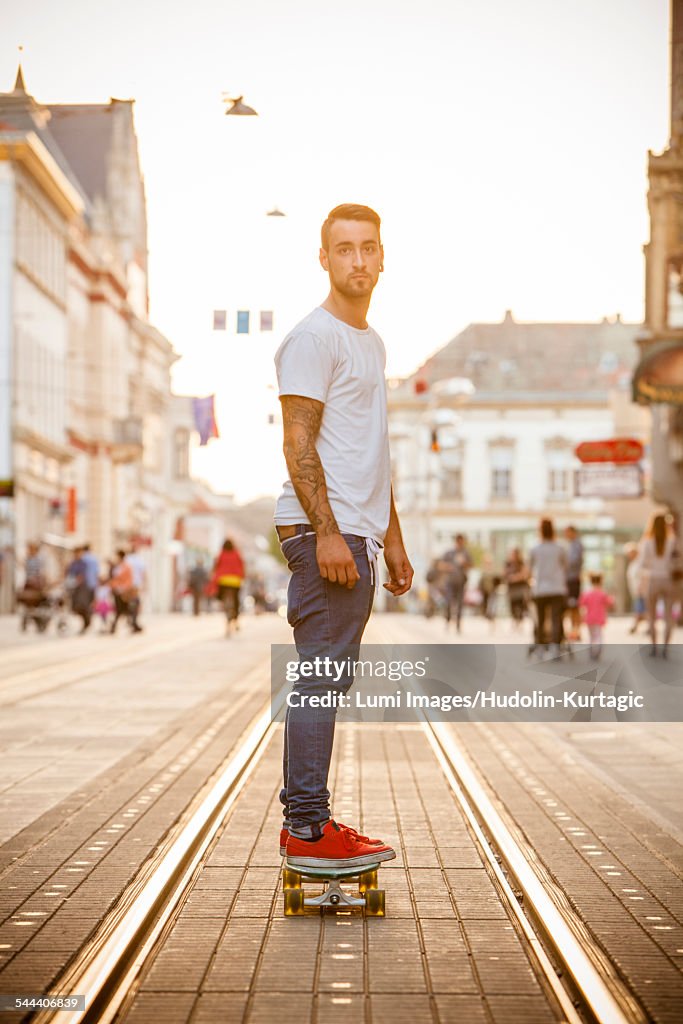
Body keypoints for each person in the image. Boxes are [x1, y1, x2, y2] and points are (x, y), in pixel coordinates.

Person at [274, 203, 413, 871]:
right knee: (319, 679)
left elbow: (370, 453)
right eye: (343, 249)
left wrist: (395, 539)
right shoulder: (314, 338)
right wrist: (327, 534)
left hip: (356, 534)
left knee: (327, 679)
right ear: (324, 260)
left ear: (382, 257)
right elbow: (297, 441)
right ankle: (305, 827)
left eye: (367, 247)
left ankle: (309, 821)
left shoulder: (371, 342)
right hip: (322, 532)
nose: (357, 259)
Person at [639, 513, 680, 657]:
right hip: (668, 580)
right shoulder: (673, 540)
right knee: (669, 616)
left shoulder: (647, 542)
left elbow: (642, 564)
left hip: (653, 579)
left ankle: (654, 647)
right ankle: (666, 648)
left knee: (651, 616)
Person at [529, 518, 567, 651]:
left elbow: (530, 568)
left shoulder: (535, 548)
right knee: (556, 619)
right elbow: (565, 566)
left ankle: (540, 647)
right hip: (557, 588)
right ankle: (555, 647)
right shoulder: (560, 547)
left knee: (540, 620)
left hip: (540, 589)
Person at [438, 534, 473, 632]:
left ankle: (458, 624)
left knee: (460, 603)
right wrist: (448, 567)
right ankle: (448, 621)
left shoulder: (466, 553)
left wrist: (464, 563)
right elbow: (440, 565)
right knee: (448, 602)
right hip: (450, 582)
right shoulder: (449, 553)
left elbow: (471, 565)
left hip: (461, 582)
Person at [211, 539, 245, 635]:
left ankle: (224, 605)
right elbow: (242, 564)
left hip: (223, 580)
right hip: (235, 581)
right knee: (236, 600)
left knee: (221, 596)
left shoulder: (221, 553)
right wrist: (243, 576)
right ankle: (236, 619)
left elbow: (216, 565)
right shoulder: (237, 553)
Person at [579, 573, 614, 660]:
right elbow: (610, 602)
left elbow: (581, 602)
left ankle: (591, 651)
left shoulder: (587, 593)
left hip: (590, 618)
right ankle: (598, 651)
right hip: (599, 618)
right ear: (601, 582)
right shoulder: (602, 593)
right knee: (598, 636)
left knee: (591, 636)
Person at [109, 550, 142, 634]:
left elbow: (127, 579)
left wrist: (125, 588)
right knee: (119, 610)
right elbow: (114, 578)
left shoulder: (126, 567)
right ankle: (132, 625)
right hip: (117, 591)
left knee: (128, 609)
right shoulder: (117, 566)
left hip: (124, 591)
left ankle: (133, 625)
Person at [65, 546, 94, 634]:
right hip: (73, 587)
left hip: (83, 587)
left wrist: (77, 580)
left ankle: (87, 621)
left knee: (82, 605)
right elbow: (68, 573)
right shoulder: (72, 563)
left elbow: (82, 575)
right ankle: (86, 621)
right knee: (75, 607)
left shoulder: (83, 563)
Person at [564, 525, 584, 641]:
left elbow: (573, 562)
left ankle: (576, 631)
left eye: (568, 532)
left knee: (574, 606)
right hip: (569, 579)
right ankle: (573, 631)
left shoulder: (577, 545)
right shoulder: (569, 545)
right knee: (571, 607)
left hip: (573, 579)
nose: (566, 535)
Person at [503, 547, 530, 627]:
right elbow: (504, 573)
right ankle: (515, 620)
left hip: (520, 587)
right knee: (512, 604)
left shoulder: (521, 563)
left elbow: (525, 573)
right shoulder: (508, 563)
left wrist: (516, 577)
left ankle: (520, 620)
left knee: (520, 604)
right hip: (511, 587)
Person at [624, 542, 646, 635]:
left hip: (641, 590)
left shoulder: (640, 562)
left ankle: (635, 626)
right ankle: (639, 626)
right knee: (641, 609)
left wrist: (641, 587)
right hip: (635, 591)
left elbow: (643, 576)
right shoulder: (633, 563)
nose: (629, 555)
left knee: (639, 609)